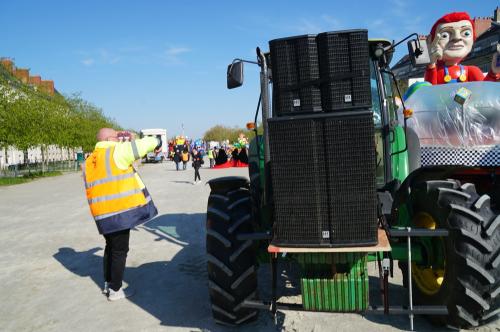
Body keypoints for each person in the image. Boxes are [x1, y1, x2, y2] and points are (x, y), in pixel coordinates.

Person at [82, 128, 160, 301]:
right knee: (119, 251)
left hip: (102, 215)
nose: (119, 138)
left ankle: (108, 284)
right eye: (117, 136)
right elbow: (148, 143)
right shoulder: (116, 151)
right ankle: (116, 290)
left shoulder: (90, 161)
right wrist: (151, 140)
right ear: (110, 138)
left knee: (110, 248)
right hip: (119, 213)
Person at [425, 12, 499, 84]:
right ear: (430, 41)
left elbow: (484, 90)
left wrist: (493, 73)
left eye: (466, 33)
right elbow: (429, 91)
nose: (457, 38)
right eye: (445, 35)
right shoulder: (435, 71)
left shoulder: (471, 71)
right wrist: (431, 65)